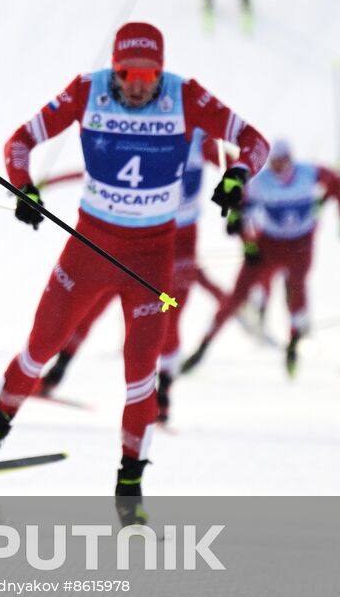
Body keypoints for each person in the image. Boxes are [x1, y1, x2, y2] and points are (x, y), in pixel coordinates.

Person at [0, 23, 268, 522]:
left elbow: (255, 144)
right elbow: (21, 141)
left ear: (161, 71)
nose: (137, 86)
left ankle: (129, 484)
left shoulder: (186, 96)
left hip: (153, 259)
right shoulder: (86, 90)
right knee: (40, 347)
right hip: (89, 248)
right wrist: (24, 187)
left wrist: (237, 177)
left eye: (147, 76)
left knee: (140, 374)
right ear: (114, 69)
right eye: (127, 75)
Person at [38, 131, 230, 424]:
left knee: (167, 314)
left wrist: (244, 212)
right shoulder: (149, 132)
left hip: (180, 239)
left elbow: (239, 172)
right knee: (96, 300)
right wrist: (49, 182)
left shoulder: (202, 140)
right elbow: (102, 173)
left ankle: (163, 394)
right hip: (138, 232)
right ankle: (57, 371)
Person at [181, 140, 340, 377]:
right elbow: (238, 209)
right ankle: (203, 346)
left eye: (283, 162)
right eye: (275, 163)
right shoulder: (261, 182)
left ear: (291, 159)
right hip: (269, 244)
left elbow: (336, 181)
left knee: (296, 292)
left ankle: (293, 343)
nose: (279, 168)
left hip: (300, 245)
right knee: (237, 296)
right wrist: (245, 240)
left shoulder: (309, 173)